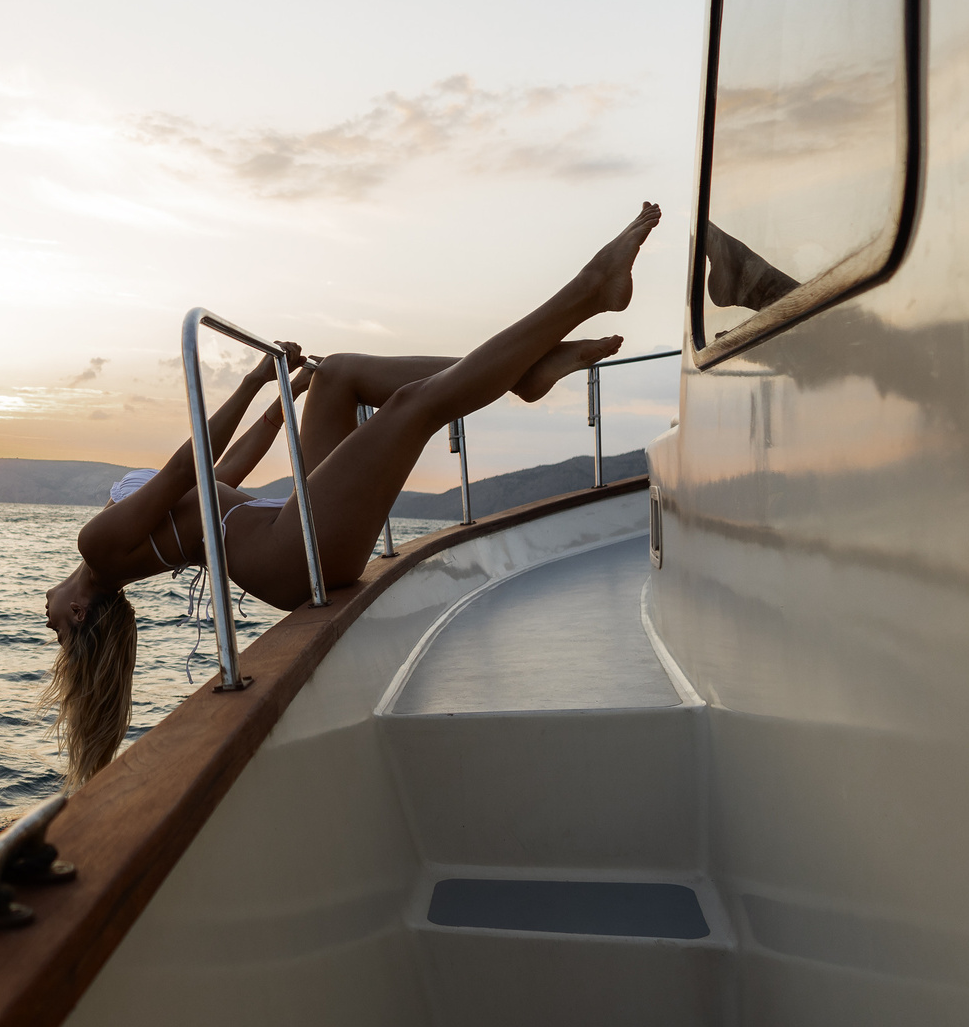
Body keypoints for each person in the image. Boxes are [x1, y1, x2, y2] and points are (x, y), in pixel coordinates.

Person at [40, 202, 661, 786]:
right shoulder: (98, 547)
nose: (50, 624)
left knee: (338, 375)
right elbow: (188, 466)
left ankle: (523, 372)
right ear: (78, 615)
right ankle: (587, 291)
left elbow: (224, 467)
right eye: (59, 634)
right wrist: (257, 380)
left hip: (287, 526)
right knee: (411, 407)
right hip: (291, 554)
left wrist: (285, 401)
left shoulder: (111, 546)